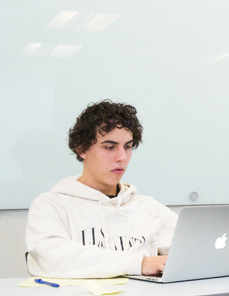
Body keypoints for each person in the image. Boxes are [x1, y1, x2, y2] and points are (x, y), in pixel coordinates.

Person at [25, 100, 177, 278]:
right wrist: (139, 263)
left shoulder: (151, 209)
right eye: (110, 147)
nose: (122, 157)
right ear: (82, 149)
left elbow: (194, 251)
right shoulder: (51, 206)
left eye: (127, 147)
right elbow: (53, 259)